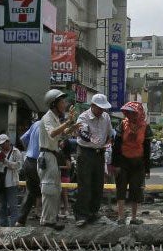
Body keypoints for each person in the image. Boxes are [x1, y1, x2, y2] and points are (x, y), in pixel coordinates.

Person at [40, 88, 81, 230]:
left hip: (53, 155)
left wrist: (72, 126)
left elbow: (62, 135)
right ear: (54, 104)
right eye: (62, 102)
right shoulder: (47, 117)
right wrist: (68, 121)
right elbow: (52, 133)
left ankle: (51, 218)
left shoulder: (55, 118)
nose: (65, 104)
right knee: (49, 188)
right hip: (47, 155)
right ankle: (47, 220)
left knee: (55, 188)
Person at [72, 93, 114, 225]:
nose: (102, 111)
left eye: (103, 108)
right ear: (93, 106)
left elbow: (109, 133)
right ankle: (81, 215)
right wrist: (91, 139)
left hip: (99, 153)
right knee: (85, 184)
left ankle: (93, 212)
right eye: (99, 108)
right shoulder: (83, 117)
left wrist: (107, 143)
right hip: (85, 152)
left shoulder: (106, 117)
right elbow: (82, 133)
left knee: (97, 184)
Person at [109, 101, 148, 224]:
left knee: (135, 190)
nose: (131, 116)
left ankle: (134, 218)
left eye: (133, 113)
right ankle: (121, 217)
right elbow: (116, 146)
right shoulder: (122, 125)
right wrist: (115, 165)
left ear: (139, 113)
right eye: (129, 113)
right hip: (123, 162)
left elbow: (147, 149)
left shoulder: (146, 127)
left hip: (138, 163)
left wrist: (147, 169)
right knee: (121, 189)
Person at [0, 133, 23, 226]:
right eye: (0, 144)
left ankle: (13, 226)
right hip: (1, 183)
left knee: (13, 206)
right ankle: (3, 225)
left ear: (8, 142)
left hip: (12, 183)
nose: (1, 146)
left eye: (3, 143)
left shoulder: (16, 152)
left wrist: (6, 162)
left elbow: (19, 166)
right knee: (2, 206)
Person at [16, 114, 43, 224]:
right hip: (39, 162)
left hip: (28, 161)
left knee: (30, 192)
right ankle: (48, 219)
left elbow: (23, 138)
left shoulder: (36, 124)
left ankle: (20, 220)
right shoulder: (49, 125)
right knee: (47, 191)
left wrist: (29, 149)